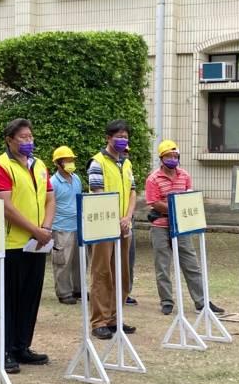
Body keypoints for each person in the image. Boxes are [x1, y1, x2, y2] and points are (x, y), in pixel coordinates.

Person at [0, 119, 55, 374]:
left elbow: (50, 198)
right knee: (8, 299)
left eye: (30, 136)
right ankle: (4, 351)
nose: (28, 141)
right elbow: (6, 207)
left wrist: (45, 229)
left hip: (37, 243)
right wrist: (34, 230)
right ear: (9, 140)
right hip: (10, 244)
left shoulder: (39, 165)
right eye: (22, 137)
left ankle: (22, 346)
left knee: (30, 296)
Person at [145, 140, 224, 316]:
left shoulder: (185, 176)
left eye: (175, 156)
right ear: (161, 158)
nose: (172, 159)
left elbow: (189, 197)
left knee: (191, 264)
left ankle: (202, 302)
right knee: (163, 265)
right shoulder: (153, 179)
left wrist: (182, 207)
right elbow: (154, 202)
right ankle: (166, 301)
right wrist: (175, 207)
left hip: (182, 225)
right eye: (168, 156)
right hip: (160, 225)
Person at [87, 120, 137, 340]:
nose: (122, 140)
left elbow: (133, 192)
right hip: (104, 227)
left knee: (123, 273)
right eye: (118, 136)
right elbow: (98, 193)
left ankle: (115, 318)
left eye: (125, 136)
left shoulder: (126, 163)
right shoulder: (97, 162)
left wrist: (127, 217)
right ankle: (99, 321)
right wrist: (115, 218)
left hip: (124, 227)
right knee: (102, 273)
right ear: (108, 138)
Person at [49, 146, 83, 305]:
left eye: (72, 159)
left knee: (79, 261)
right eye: (67, 160)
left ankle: (78, 289)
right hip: (60, 227)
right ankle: (64, 293)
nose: (70, 162)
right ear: (58, 163)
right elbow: (48, 204)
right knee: (62, 262)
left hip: (78, 226)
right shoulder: (53, 182)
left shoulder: (76, 178)